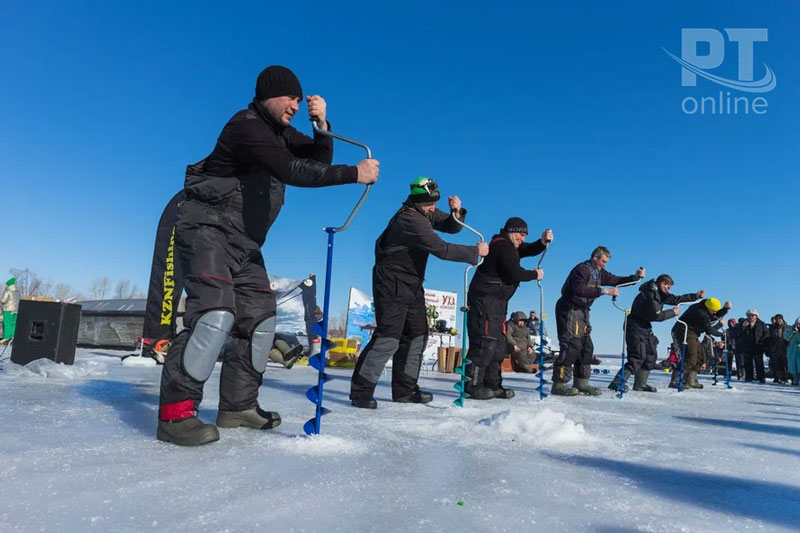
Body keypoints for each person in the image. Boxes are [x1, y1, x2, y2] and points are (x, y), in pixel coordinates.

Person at [157, 65, 379, 446]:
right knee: (214, 316)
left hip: (245, 244)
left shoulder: (280, 134)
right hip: (208, 231)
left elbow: (317, 160)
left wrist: (321, 124)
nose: (295, 103)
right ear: (268, 95)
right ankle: (175, 415)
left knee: (260, 320)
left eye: (299, 98)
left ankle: (237, 406)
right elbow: (292, 169)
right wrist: (353, 173)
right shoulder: (246, 126)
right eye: (290, 97)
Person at [349, 177, 487, 409]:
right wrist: (475, 252)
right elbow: (441, 249)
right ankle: (361, 392)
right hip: (392, 281)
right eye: (429, 204)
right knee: (388, 337)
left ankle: (404, 390)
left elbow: (451, 226)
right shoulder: (409, 219)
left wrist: (457, 212)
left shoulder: (424, 212)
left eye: (435, 203)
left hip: (412, 283)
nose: (433, 208)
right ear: (416, 200)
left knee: (417, 335)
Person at [464, 218, 552, 400]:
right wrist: (535, 274)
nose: (523, 239)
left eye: (526, 235)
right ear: (512, 231)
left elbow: (527, 249)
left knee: (498, 347)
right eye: (521, 234)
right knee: (484, 345)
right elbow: (515, 272)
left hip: (497, 305)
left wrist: (542, 242)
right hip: (484, 303)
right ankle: (472, 385)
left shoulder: (511, 245)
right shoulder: (502, 246)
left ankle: (493, 385)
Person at [551, 246, 644, 396]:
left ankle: (581, 382)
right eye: (603, 261)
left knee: (587, 347)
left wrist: (636, 278)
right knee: (571, 345)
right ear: (595, 257)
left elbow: (618, 280)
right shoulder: (582, 269)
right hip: (570, 308)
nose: (604, 264)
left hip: (583, 311)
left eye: (606, 262)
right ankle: (559, 383)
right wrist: (604, 291)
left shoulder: (599, 273)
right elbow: (579, 290)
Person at [609, 274, 704, 393]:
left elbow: (676, 299)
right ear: (662, 284)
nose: (668, 290)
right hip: (635, 326)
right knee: (637, 356)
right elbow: (656, 315)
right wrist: (672, 312)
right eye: (668, 287)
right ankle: (617, 382)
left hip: (645, 326)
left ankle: (640, 384)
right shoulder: (651, 294)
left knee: (650, 355)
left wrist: (695, 296)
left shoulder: (659, 294)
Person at [670, 298, 731, 388]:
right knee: (690, 357)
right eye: (713, 311)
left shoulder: (705, 307)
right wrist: (720, 329)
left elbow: (714, 315)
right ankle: (676, 380)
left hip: (693, 333)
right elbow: (709, 330)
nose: (715, 312)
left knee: (700, 357)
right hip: (683, 331)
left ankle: (690, 380)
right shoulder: (701, 313)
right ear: (708, 308)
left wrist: (725, 309)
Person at [740, 309, 769, 383]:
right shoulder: (743, 324)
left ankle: (761, 378)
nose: (751, 317)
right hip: (747, 346)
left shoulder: (761, 324)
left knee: (759, 363)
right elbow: (739, 334)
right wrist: (743, 327)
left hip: (758, 346)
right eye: (750, 315)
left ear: (756, 316)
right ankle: (749, 377)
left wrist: (762, 342)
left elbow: (766, 334)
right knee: (748, 363)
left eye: (753, 315)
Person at [767, 314, 788, 384]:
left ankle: (789, 378)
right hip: (776, 349)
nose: (779, 320)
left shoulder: (787, 327)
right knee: (778, 365)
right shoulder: (773, 328)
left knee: (787, 364)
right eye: (777, 319)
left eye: (780, 319)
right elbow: (769, 339)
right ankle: (782, 379)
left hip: (785, 348)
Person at [0, 278, 20, 344]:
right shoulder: (18, 292)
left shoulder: (8, 291)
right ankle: (13, 337)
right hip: (16, 310)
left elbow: (3, 300)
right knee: (13, 324)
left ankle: (6, 337)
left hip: (8, 310)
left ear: (8, 285)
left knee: (7, 323)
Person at [784, 317, 800, 386]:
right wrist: (793, 331)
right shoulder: (790, 330)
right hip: (792, 351)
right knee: (793, 368)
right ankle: (795, 381)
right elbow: (786, 337)